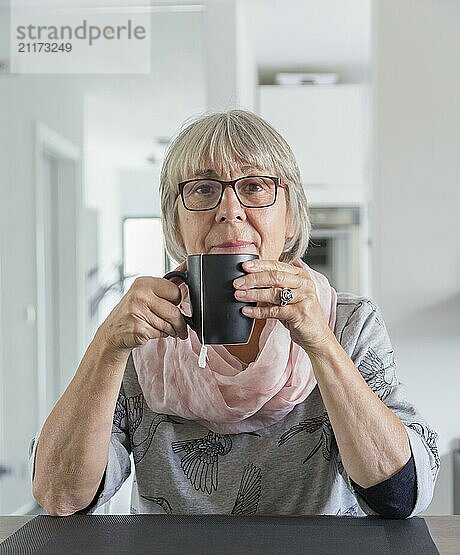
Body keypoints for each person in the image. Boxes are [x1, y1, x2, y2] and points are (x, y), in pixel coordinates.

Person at [29, 110, 439, 518]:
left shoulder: (350, 322)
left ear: (291, 218)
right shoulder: (142, 331)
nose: (230, 210)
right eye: (205, 189)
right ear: (175, 220)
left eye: (256, 186)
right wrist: (107, 346)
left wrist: (321, 343)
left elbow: (400, 495)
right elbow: (61, 495)